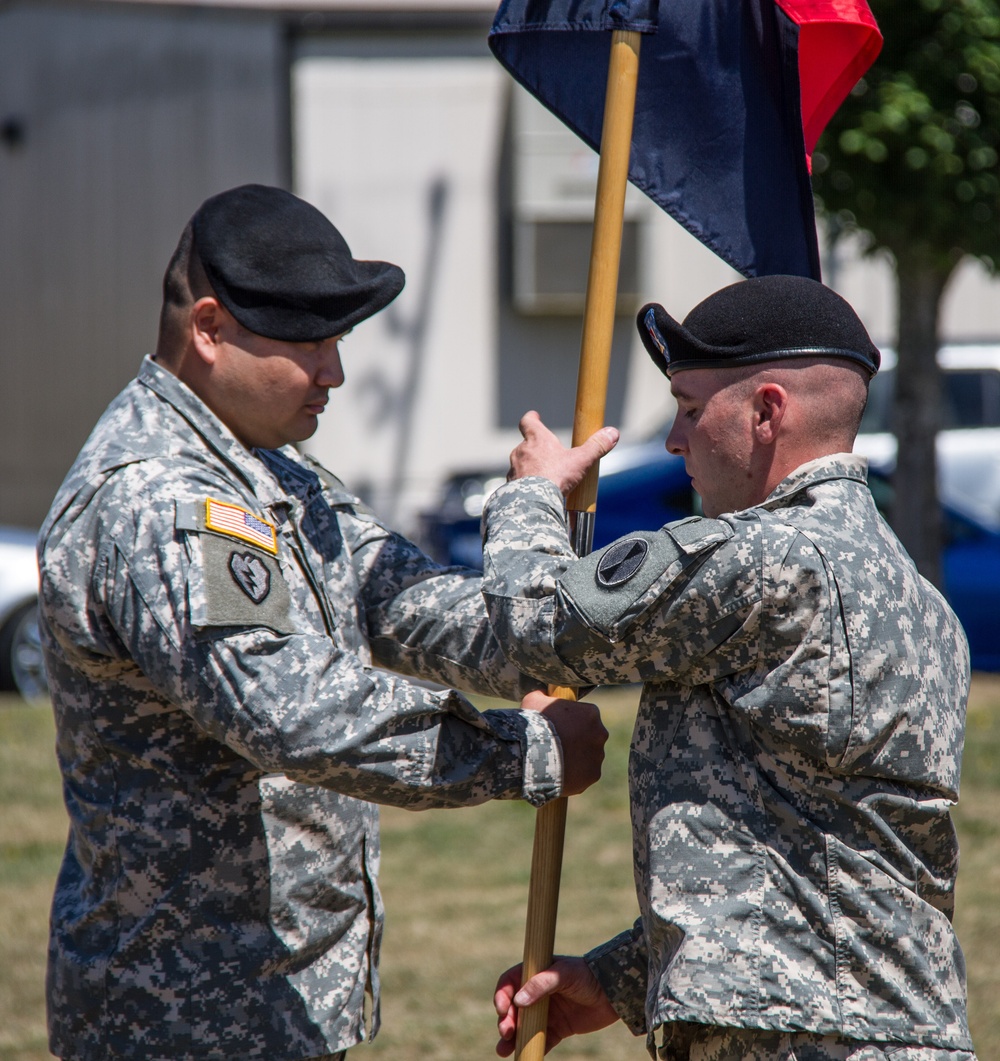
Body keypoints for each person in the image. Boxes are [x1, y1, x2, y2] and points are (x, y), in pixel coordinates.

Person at [36, 183, 609, 1061]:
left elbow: (405, 601)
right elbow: (289, 710)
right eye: (309, 340)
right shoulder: (157, 495)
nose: (335, 371)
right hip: (181, 1017)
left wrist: (553, 576)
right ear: (210, 329)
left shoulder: (274, 470)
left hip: (278, 1002)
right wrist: (523, 755)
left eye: (336, 339)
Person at [482, 275, 977, 1061]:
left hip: (790, 1037)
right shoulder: (924, 604)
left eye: (688, 407)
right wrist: (616, 979)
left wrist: (532, 495)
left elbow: (535, 621)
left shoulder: (759, 557)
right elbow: (816, 849)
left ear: (767, 411)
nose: (676, 442)